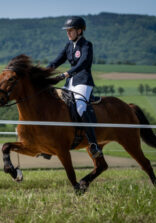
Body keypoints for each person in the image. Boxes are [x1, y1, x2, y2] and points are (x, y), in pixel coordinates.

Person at [48, 16, 103, 158]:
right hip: (70, 83)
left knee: (79, 106)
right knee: (57, 104)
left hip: (83, 82)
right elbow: (56, 62)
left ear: (79, 31)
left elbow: (83, 64)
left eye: (70, 30)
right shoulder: (68, 46)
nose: (68, 33)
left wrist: (64, 74)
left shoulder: (86, 45)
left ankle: (93, 144)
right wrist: (43, 72)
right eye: (67, 30)